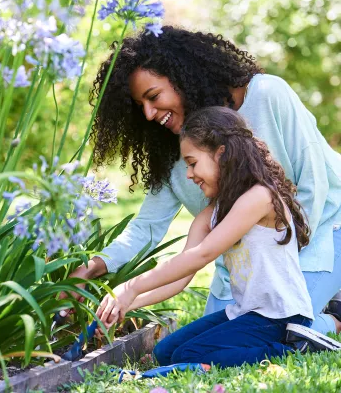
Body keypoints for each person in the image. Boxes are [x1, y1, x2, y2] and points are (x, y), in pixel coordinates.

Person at [64, 26, 341, 346]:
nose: (150, 114)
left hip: (324, 229)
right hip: (245, 262)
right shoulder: (174, 154)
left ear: (184, 76)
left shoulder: (266, 95)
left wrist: (280, 270)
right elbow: (145, 230)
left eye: (153, 97)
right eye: (141, 106)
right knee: (214, 337)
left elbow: (315, 186)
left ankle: (334, 321)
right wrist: (90, 269)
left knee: (282, 331)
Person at [96, 106, 316, 367]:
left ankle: (296, 349)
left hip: (281, 317)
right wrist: (125, 304)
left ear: (221, 154)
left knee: (187, 356)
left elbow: (203, 254)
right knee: (165, 353)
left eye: (192, 163)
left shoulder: (260, 197)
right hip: (246, 313)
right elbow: (181, 277)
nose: (188, 174)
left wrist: (132, 287)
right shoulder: (212, 213)